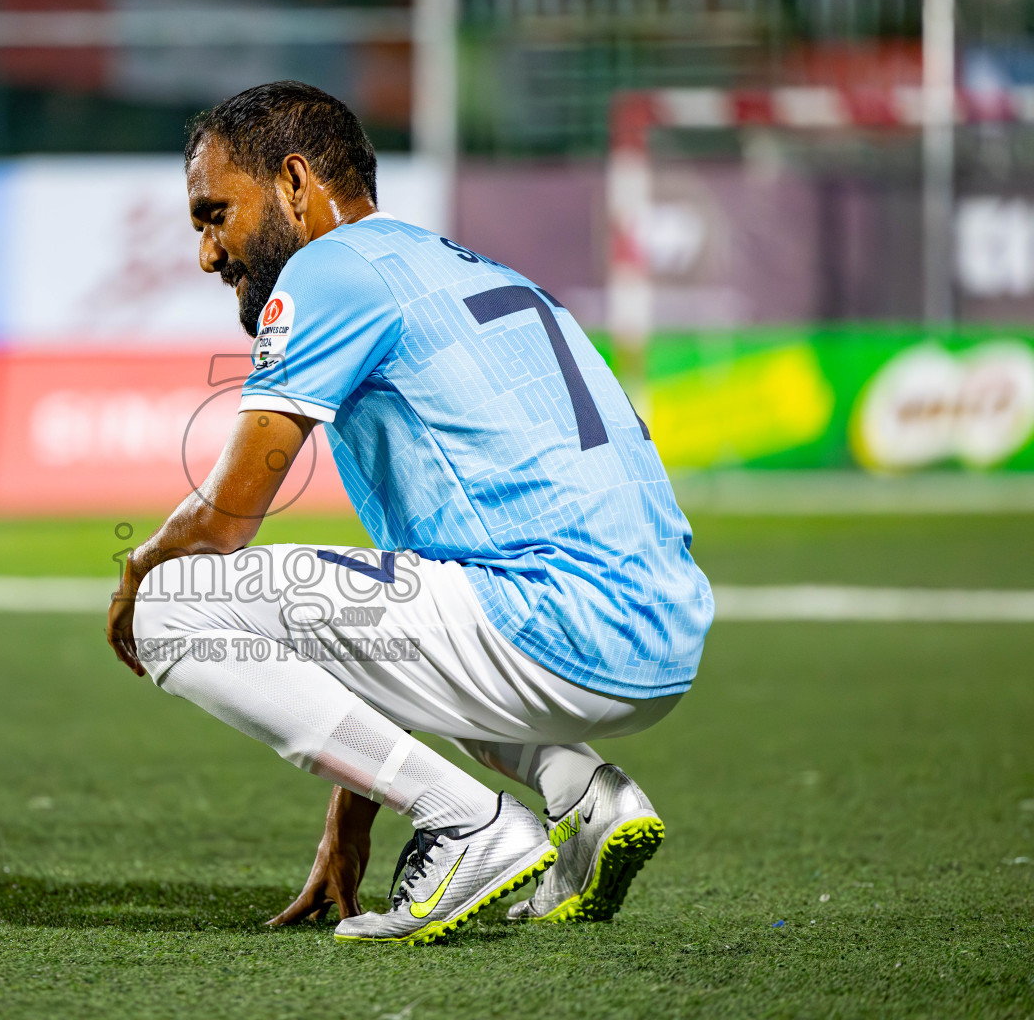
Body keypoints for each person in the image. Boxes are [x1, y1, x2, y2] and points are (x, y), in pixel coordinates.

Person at [106, 81, 714, 945]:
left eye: (215, 215)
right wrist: (350, 815)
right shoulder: (467, 272)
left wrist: (136, 570)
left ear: (293, 183)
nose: (208, 254)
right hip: (657, 629)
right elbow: (400, 613)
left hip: (555, 623)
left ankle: (471, 828)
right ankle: (583, 796)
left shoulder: (328, 269)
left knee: (178, 605)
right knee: (407, 605)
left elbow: (229, 517)